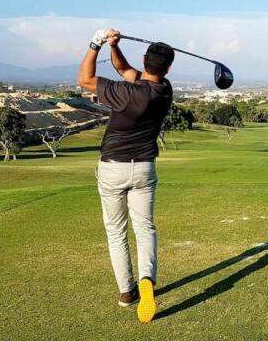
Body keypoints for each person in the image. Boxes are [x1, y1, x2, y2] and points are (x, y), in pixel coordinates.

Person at [78, 29, 174, 323]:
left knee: (116, 232)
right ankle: (147, 279)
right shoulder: (165, 89)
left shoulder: (128, 93)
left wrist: (95, 43)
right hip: (144, 167)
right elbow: (122, 68)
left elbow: (84, 80)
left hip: (113, 168)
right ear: (168, 68)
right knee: (145, 228)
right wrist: (114, 46)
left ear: (145, 60)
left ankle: (126, 291)